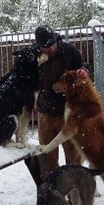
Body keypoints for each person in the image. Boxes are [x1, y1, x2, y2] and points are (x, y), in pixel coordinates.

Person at [34, 25, 90, 172]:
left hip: (69, 114)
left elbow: (83, 66)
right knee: (47, 160)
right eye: (45, 48)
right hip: (45, 112)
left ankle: (74, 193)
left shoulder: (69, 50)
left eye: (52, 45)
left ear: (56, 40)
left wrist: (84, 71)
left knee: (74, 159)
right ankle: (54, 193)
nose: (50, 50)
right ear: (39, 46)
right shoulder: (33, 56)